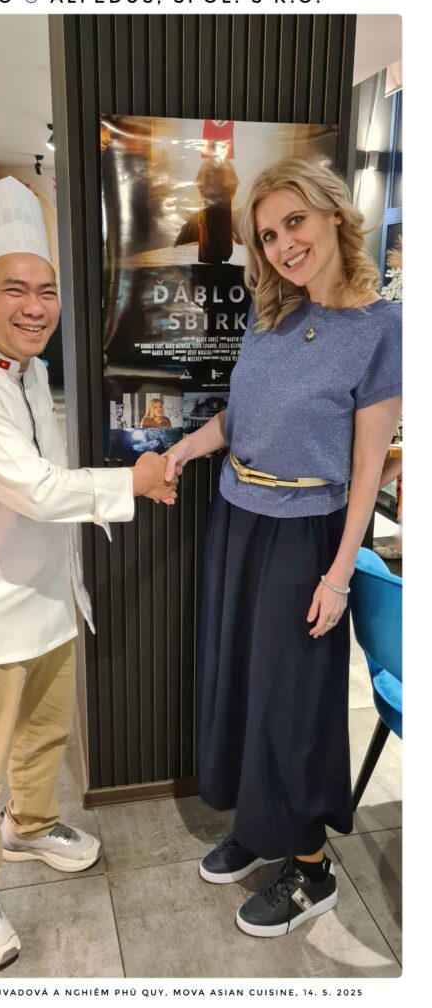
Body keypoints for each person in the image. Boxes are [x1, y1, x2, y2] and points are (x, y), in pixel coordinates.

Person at [0, 177, 178, 970]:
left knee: (44, 733)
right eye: (15, 290)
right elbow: (33, 488)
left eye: (47, 290)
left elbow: (42, 479)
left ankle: (29, 826)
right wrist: (132, 482)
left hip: (47, 594)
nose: (35, 307)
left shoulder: (23, 369)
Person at [164, 157, 401, 937]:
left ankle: (310, 869)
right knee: (239, 680)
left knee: (292, 701)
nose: (283, 244)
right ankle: (259, 826)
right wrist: (187, 447)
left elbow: (368, 464)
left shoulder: (381, 329)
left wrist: (338, 575)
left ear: (335, 213)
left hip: (306, 534)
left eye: (294, 221)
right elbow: (240, 418)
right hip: (237, 518)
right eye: (267, 235)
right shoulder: (270, 316)